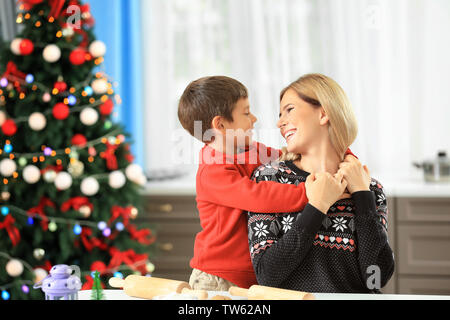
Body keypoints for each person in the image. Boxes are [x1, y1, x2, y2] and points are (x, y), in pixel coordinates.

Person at [177, 75, 356, 291]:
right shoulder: (212, 171)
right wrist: (311, 195)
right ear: (221, 124)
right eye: (245, 113)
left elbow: (288, 153)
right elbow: (258, 196)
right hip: (218, 277)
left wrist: (345, 156)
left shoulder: (250, 151)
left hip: (250, 275)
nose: (254, 118)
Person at [247, 73, 395, 293]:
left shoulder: (369, 188)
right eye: (280, 114)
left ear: (324, 113)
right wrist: (317, 206)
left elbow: (376, 278)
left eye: (289, 110)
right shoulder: (269, 179)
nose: (279, 123)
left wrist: (363, 196)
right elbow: (267, 276)